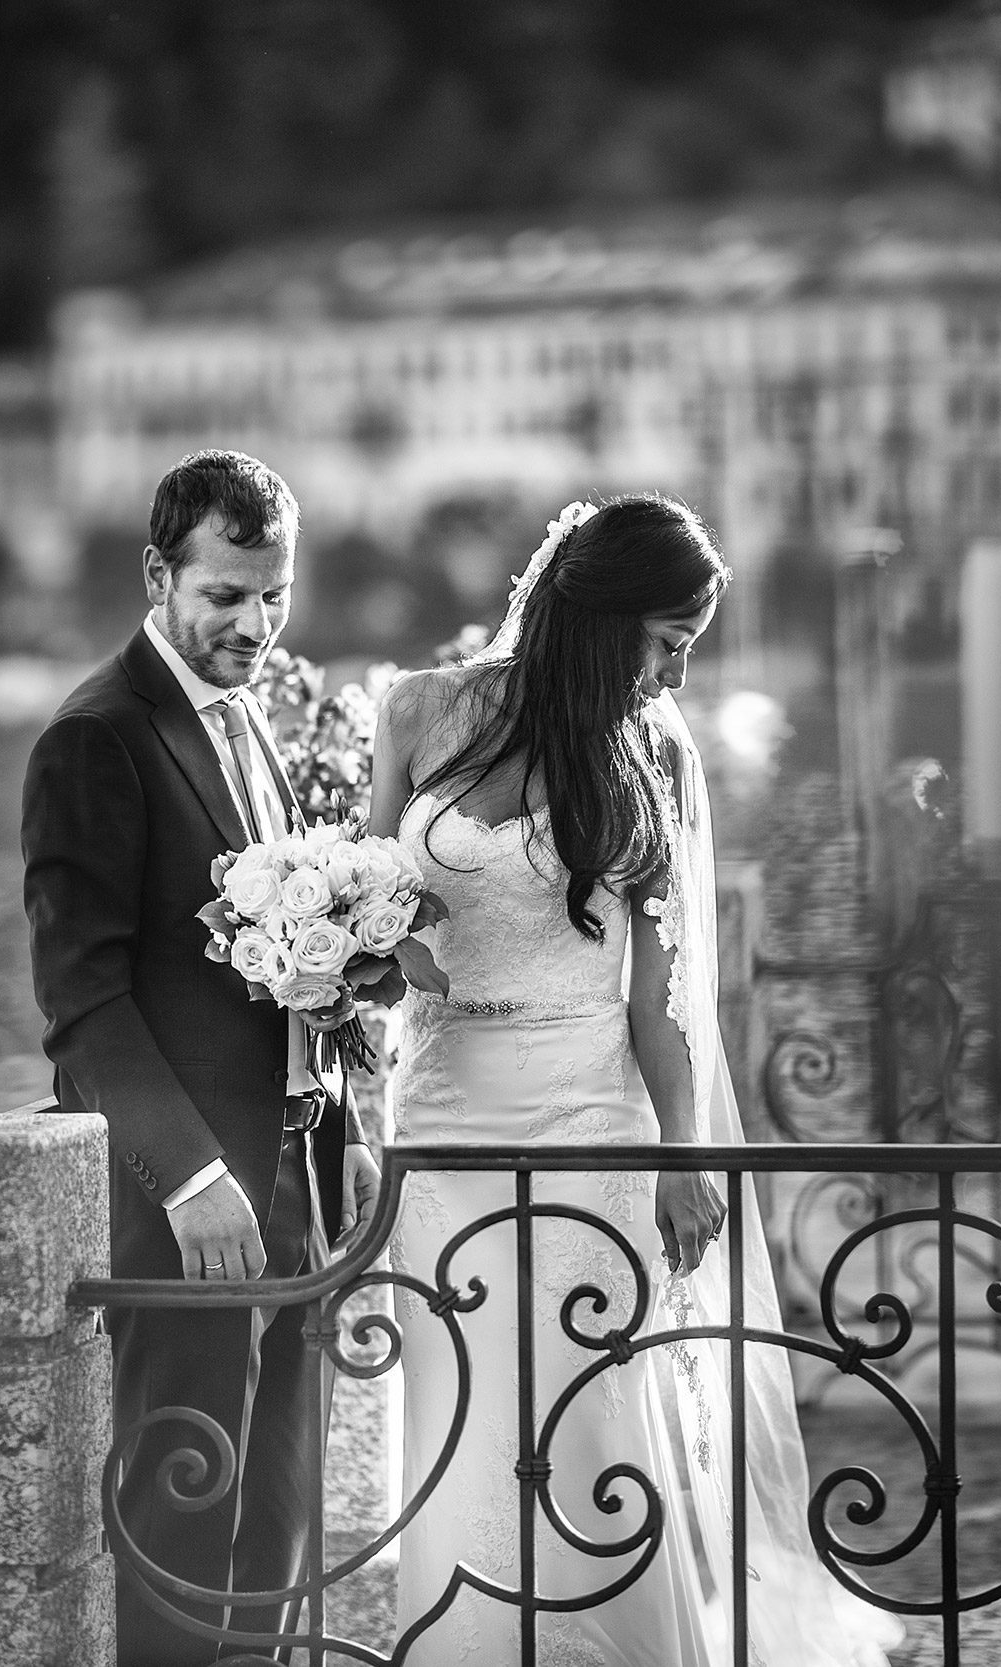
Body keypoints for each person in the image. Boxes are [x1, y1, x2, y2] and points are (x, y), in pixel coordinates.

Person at [366, 495, 901, 1665]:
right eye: (665, 642)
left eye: (688, 650)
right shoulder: (417, 709)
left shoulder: (649, 750)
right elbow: (374, 903)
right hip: (442, 1114)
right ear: (598, 620)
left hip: (588, 1115)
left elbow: (663, 997)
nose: (670, 676)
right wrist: (340, 949)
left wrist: (676, 1157)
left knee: (588, 1415)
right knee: (459, 1416)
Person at [21, 450, 380, 1666]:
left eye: (273, 594)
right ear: (157, 574)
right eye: (224, 594)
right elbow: (83, 1001)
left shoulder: (247, 721)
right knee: (183, 1516)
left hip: (297, 1177)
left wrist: (342, 1088)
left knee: (278, 1515)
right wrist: (184, 1173)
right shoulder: (96, 737)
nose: (254, 623)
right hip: (190, 1207)